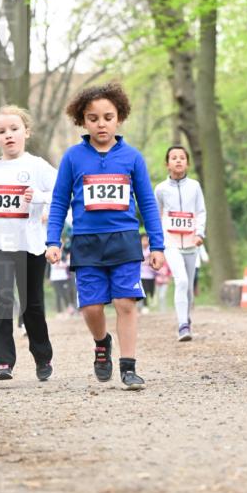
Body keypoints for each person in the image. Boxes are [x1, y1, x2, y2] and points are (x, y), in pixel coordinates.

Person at [45, 82, 164, 390]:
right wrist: (53, 240)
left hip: (124, 238)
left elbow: (147, 202)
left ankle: (128, 367)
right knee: (91, 306)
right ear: (82, 121)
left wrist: (157, 244)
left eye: (108, 117)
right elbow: (59, 201)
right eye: (93, 118)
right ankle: (102, 343)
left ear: (119, 118)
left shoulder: (132, 157)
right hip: (86, 241)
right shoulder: (73, 158)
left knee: (126, 303)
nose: (101, 124)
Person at [0, 105, 57, 382]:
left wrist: (40, 197)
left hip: (30, 244)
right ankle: (3, 361)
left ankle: (43, 358)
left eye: (14, 129)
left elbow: (62, 193)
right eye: (1, 131)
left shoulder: (37, 166)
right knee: (2, 300)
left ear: (26, 132)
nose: (8, 135)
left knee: (31, 304)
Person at [154, 145, 206, 341]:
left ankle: (187, 319)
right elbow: (156, 215)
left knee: (189, 287)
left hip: (192, 243)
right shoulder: (160, 189)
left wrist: (199, 233)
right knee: (181, 280)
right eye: (174, 158)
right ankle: (182, 325)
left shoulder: (194, 186)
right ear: (167, 164)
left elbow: (201, 211)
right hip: (171, 243)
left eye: (182, 157)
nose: (178, 161)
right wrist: (157, 241)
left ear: (187, 163)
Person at [139, 233, 156, 314]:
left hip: (151, 274)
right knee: (144, 290)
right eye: (143, 240)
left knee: (151, 290)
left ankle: (152, 299)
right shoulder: (138, 249)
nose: (145, 242)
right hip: (142, 274)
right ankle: (145, 306)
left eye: (147, 240)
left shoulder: (151, 249)